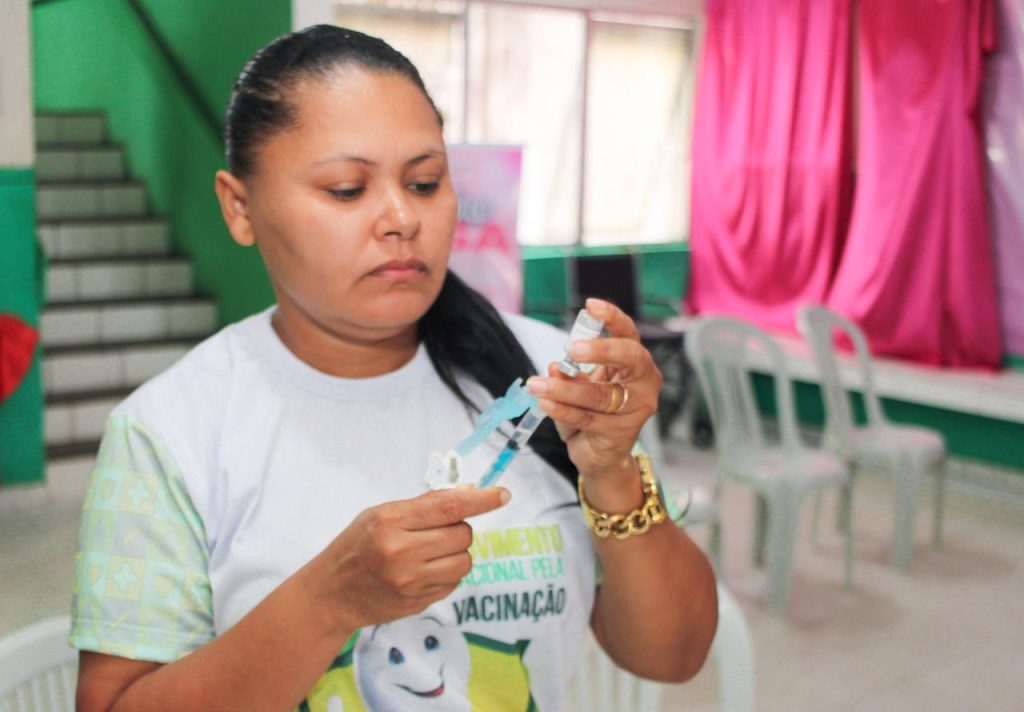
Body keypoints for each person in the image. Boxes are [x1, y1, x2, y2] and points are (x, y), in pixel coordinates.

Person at [70, 24, 717, 712]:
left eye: (425, 182)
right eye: (347, 189)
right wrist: (327, 602)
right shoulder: (172, 431)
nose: (403, 217)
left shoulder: (549, 379)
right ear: (240, 206)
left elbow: (672, 656)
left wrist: (613, 476)